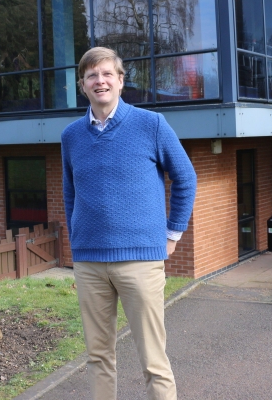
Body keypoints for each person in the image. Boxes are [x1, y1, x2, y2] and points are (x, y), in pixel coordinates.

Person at [61, 47, 196, 400]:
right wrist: (77, 244)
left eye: (107, 74)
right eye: (92, 75)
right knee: (98, 357)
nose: (100, 81)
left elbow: (185, 178)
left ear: (120, 81)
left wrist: (172, 234)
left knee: (153, 360)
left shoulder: (151, 125)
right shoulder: (71, 136)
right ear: (83, 85)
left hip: (140, 262)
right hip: (89, 264)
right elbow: (70, 193)